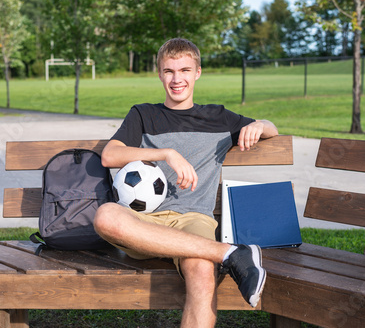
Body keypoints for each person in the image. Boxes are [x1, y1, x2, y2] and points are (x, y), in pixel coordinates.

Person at [94, 38, 278, 328]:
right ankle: (231, 254)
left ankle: (222, 255)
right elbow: (110, 155)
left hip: (193, 220)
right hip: (143, 223)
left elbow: (272, 128)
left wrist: (259, 124)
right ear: (159, 74)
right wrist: (168, 153)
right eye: (169, 71)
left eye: (184, 70)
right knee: (106, 216)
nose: (177, 79)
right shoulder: (143, 114)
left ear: (198, 73)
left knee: (203, 273)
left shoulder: (219, 117)